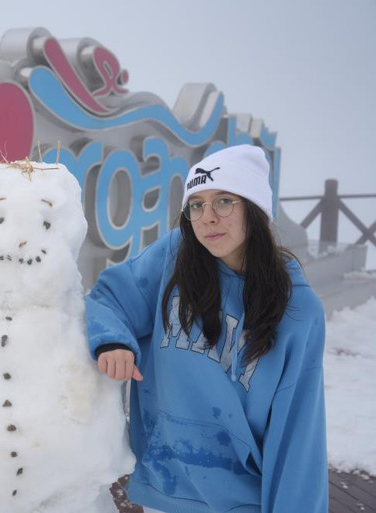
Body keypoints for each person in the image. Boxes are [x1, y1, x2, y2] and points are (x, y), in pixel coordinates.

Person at [86, 144, 328, 513]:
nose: (208, 217)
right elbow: (109, 297)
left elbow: (299, 437)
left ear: (255, 209)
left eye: (224, 201)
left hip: (237, 503)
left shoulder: (296, 309)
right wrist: (113, 341)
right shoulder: (174, 258)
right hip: (163, 491)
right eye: (196, 204)